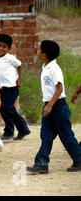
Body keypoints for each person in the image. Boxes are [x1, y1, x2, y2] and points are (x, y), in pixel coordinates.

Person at [26, 40, 81, 174]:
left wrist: (50, 105)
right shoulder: (46, 67)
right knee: (46, 135)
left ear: (44, 55)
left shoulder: (54, 69)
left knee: (66, 135)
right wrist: (48, 105)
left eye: (39, 50)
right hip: (49, 105)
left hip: (58, 106)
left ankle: (79, 160)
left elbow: (60, 88)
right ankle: (41, 164)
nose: (37, 52)